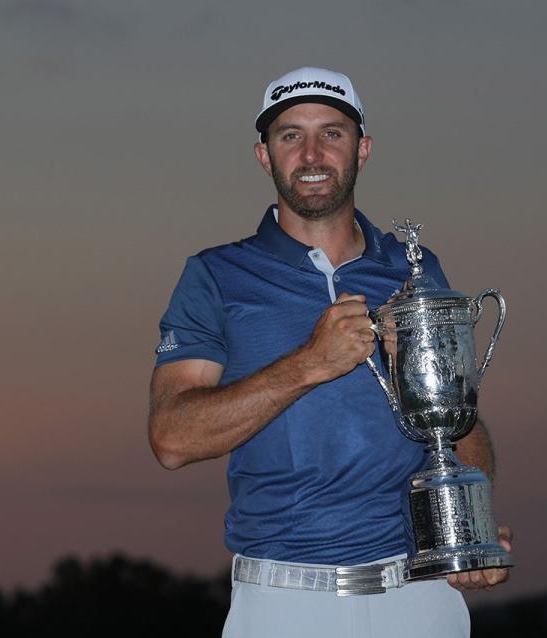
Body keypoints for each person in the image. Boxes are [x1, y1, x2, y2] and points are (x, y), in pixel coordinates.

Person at [148, 67, 511, 638]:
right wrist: (309, 363)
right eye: (290, 135)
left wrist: (473, 525)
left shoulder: (413, 269)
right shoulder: (215, 275)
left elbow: (459, 422)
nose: (312, 153)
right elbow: (171, 438)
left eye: (332, 133)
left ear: (362, 150)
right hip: (284, 601)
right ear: (264, 155)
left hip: (419, 595)